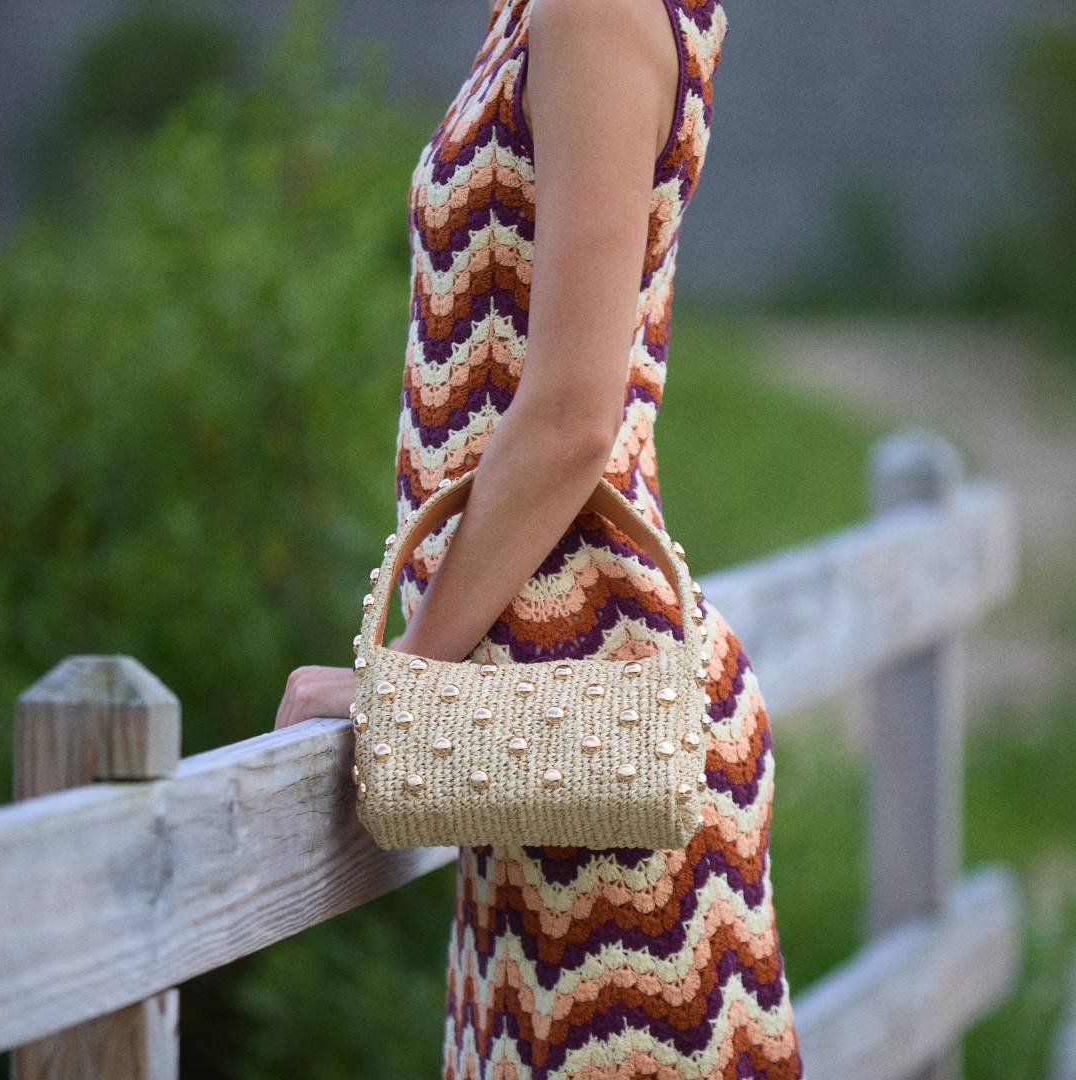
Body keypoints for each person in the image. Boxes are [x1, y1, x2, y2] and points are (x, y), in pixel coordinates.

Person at [276, 0, 804, 1074]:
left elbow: (570, 419)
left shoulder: (595, 10)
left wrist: (402, 688)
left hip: (597, 753)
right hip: (532, 744)